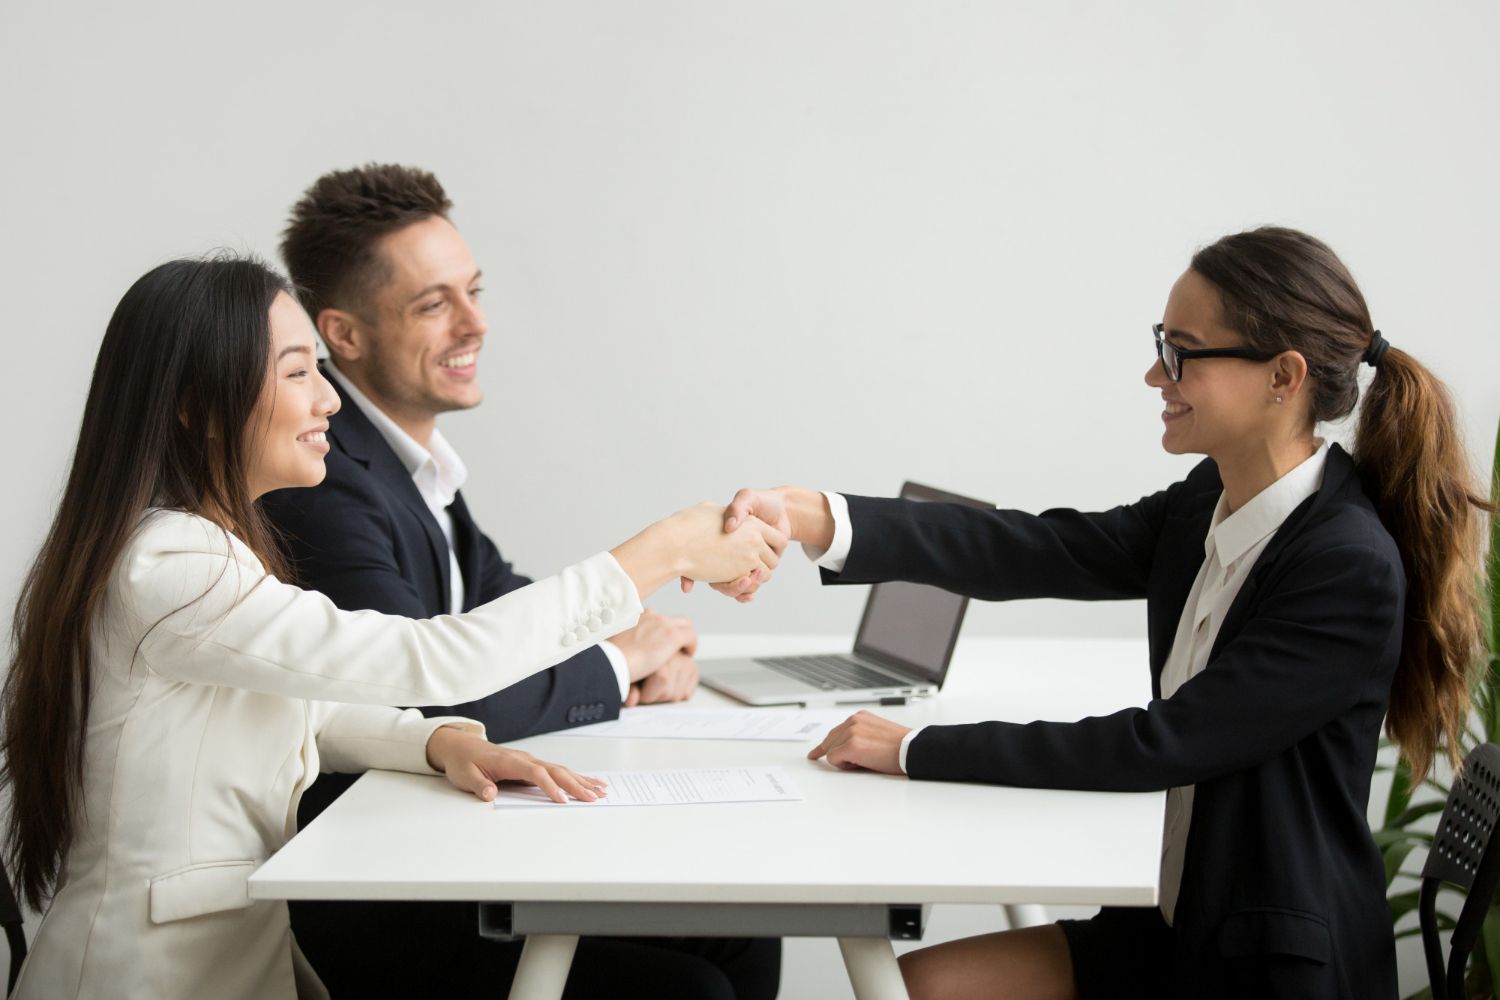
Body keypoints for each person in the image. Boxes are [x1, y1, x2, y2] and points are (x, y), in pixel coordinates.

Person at [714, 227, 1492, 999]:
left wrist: (915, 749)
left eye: (1183, 351)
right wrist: (819, 516)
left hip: (1266, 961)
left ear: (1282, 378)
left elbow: (1163, 743)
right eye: (1162, 343)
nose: (1156, 374)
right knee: (908, 988)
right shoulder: (1207, 506)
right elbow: (1041, 547)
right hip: (1175, 927)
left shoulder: (1343, 566)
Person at [0, 255, 783, 1000]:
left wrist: (437, 742)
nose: (329, 401)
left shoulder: (206, 550)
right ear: (198, 407)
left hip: (230, 957)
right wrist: (660, 552)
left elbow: (299, 702)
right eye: (298, 373)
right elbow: (433, 658)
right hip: (147, 977)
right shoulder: (171, 568)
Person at [262, 163, 780, 999]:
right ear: (344, 335)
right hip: (374, 880)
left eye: (473, 291)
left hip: (441, 834)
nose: (476, 323)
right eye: (434, 304)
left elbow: (503, 594)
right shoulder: (325, 481)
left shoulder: (411, 464)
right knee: (690, 988)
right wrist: (620, 665)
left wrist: (640, 641)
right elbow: (419, 693)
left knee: (743, 929)